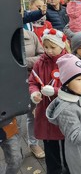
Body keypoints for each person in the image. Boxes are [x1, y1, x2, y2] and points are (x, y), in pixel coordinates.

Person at [28, 28, 69, 173]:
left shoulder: (68, 62)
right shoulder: (40, 62)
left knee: (67, 145)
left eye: (53, 47)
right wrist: (35, 93)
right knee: (50, 145)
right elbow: (33, 82)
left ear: (62, 46)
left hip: (65, 110)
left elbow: (76, 87)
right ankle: (54, 170)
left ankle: (69, 168)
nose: (49, 50)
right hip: (46, 109)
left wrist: (56, 91)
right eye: (46, 47)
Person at [24, 30, 45, 159]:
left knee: (33, 114)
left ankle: (33, 143)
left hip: (31, 80)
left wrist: (22, 62)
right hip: (10, 83)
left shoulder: (30, 35)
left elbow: (41, 55)